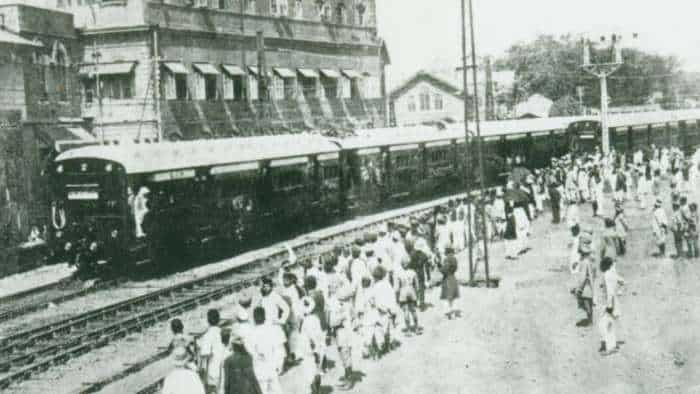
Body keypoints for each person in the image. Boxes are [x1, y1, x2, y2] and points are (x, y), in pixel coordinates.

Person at [247, 307, 284, 394]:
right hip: (272, 367)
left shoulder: (252, 333)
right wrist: (279, 365)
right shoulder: (272, 330)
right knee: (277, 390)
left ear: (254, 319)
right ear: (265, 317)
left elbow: (250, 352)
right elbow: (279, 349)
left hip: (260, 369)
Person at [258, 278, 290, 375]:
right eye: (264, 286)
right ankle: (273, 366)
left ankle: (280, 368)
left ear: (271, 287)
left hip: (274, 325)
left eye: (267, 286)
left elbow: (286, 308)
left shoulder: (275, 297)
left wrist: (281, 320)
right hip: (265, 325)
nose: (265, 288)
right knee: (269, 347)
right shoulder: (263, 297)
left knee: (278, 348)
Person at [598, 256, 625, 356]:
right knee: (610, 323)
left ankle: (609, 347)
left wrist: (609, 305)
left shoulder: (606, 275)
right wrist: (620, 291)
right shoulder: (613, 274)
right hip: (614, 301)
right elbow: (622, 281)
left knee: (603, 324)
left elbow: (609, 291)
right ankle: (612, 345)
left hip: (609, 302)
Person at [299, 297, 324, 394]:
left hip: (310, 348)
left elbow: (311, 336)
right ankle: (317, 390)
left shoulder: (307, 320)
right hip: (318, 346)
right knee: (317, 370)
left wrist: (314, 349)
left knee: (310, 372)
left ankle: (315, 391)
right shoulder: (315, 318)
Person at [571, 230, 596, 327]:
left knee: (586, 302)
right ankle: (590, 319)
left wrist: (579, 288)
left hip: (585, 286)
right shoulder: (589, 260)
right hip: (589, 284)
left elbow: (582, 277)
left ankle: (589, 320)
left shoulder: (584, 262)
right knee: (589, 302)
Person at [198, 309, 226, 394]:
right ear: (219, 320)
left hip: (213, 370)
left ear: (208, 321)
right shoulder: (223, 332)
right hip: (224, 367)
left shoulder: (208, 335)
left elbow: (204, 353)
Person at [396, 256, 421, 335]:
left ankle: (408, 329)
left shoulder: (399, 274)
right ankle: (416, 328)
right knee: (413, 310)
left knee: (406, 311)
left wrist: (397, 298)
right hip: (411, 291)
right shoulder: (413, 272)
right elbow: (417, 286)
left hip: (403, 292)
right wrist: (417, 294)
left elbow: (397, 288)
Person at [439, 246, 460, 319]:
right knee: (453, 297)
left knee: (448, 297)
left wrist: (439, 266)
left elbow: (444, 270)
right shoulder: (454, 259)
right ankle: (452, 313)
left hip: (447, 278)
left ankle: (450, 314)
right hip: (453, 278)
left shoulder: (447, 259)